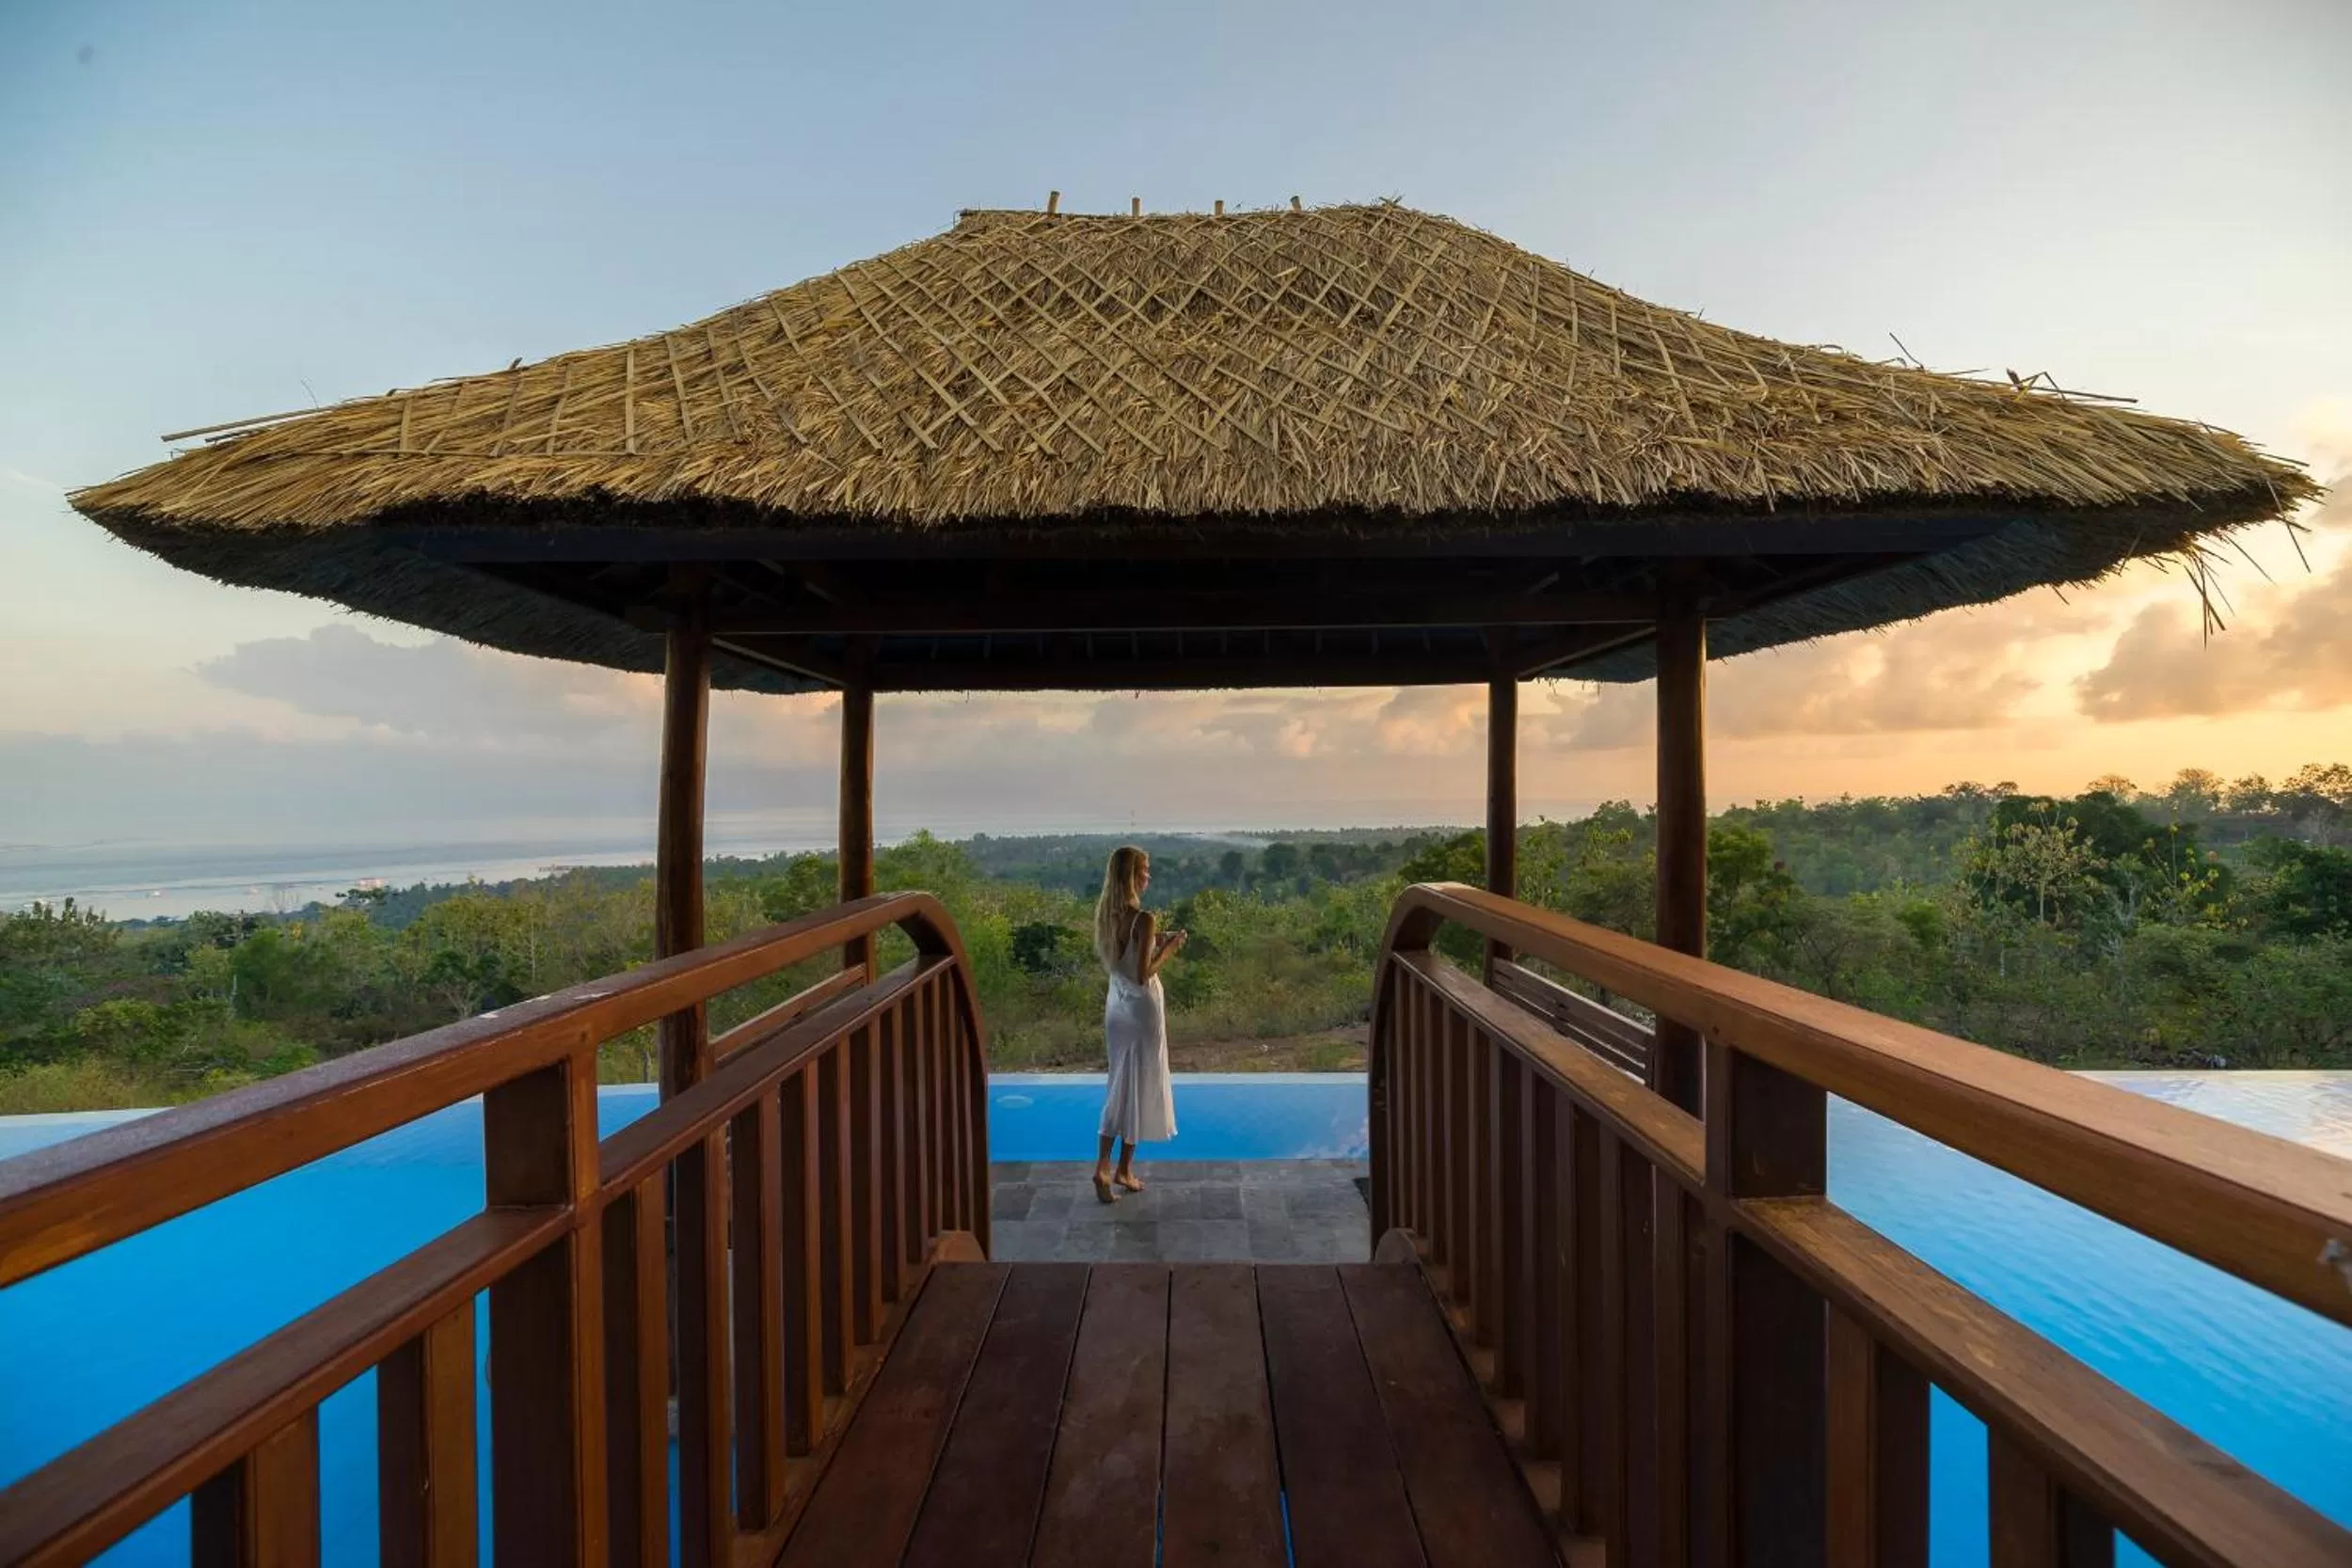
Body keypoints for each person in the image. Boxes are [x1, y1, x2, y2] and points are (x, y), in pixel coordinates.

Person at [1091, 845, 1182, 1203]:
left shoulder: (1107, 917)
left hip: (1117, 1008)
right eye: (1145, 869)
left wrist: (1152, 943)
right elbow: (1144, 975)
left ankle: (1106, 1166)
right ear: (1131, 875)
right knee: (1140, 1083)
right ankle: (1121, 1169)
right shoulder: (1144, 918)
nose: (1149, 876)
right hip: (1142, 1010)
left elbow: (1126, 963)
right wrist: (1169, 949)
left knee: (1119, 1084)